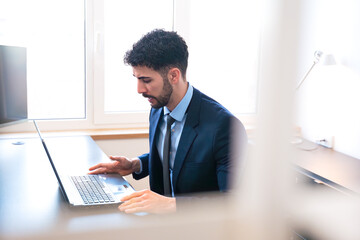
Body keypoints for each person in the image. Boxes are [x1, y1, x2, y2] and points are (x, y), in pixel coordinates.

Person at [89, 29, 247, 214]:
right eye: (137, 79)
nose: (139, 89)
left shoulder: (224, 126)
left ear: (173, 75)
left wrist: (171, 205)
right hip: (160, 224)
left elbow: (230, 202)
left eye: (146, 80)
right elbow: (174, 157)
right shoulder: (158, 108)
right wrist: (134, 165)